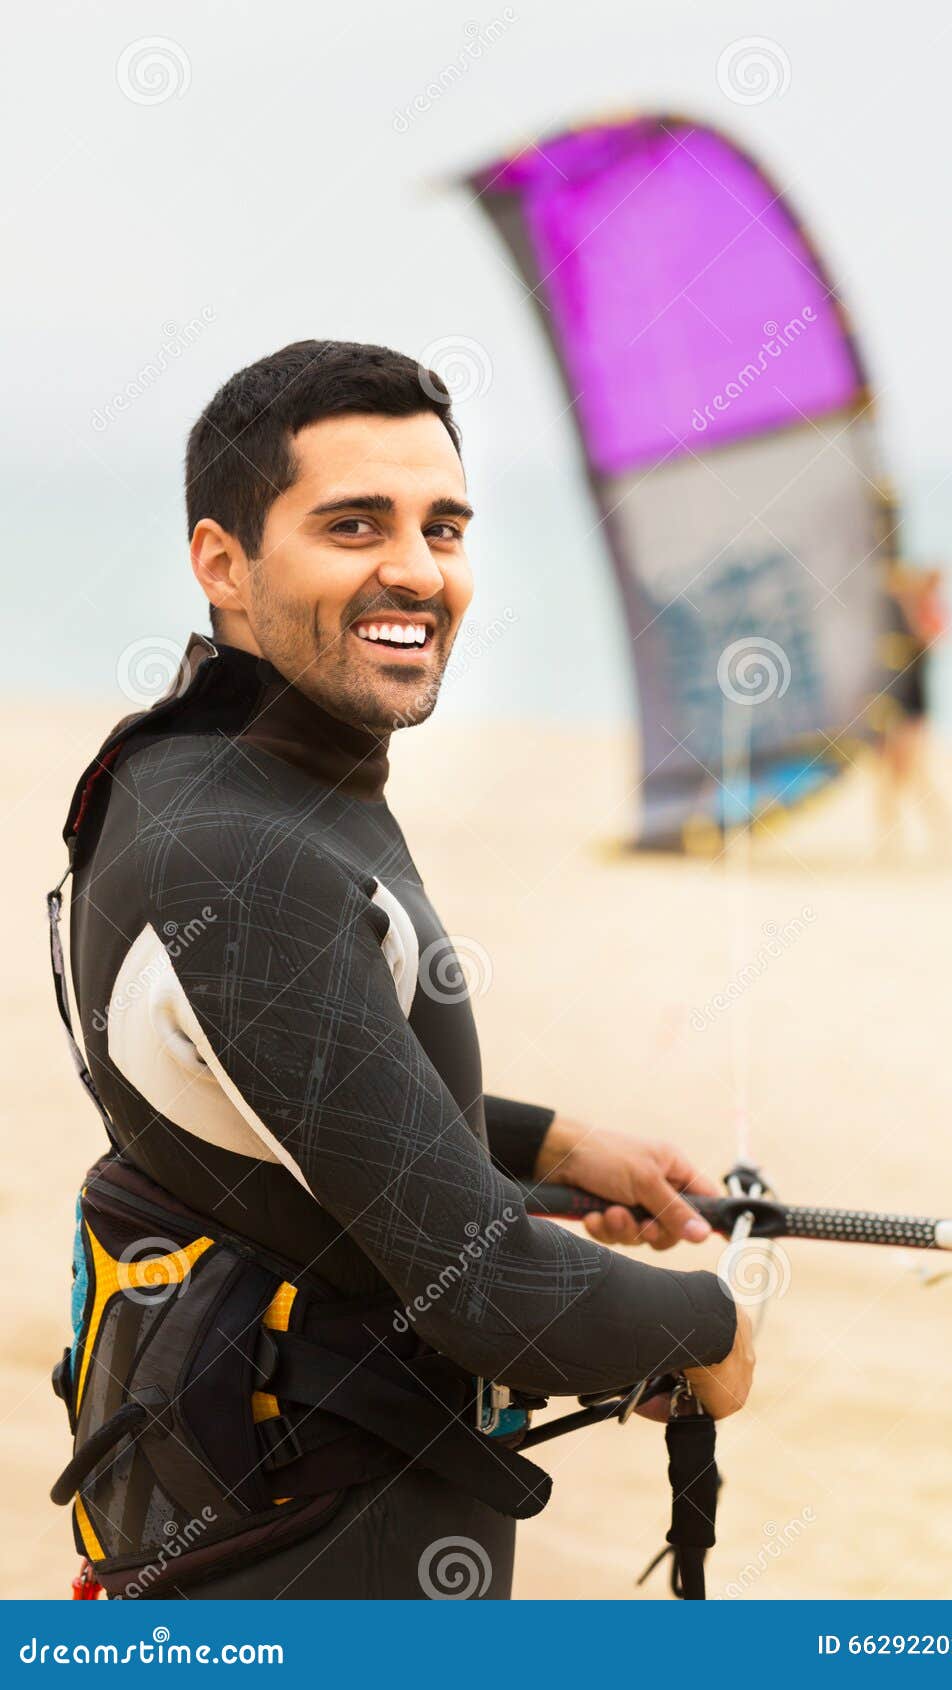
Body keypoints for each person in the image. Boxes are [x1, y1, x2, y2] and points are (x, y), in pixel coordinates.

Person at [54, 340, 753, 1600]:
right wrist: (709, 1327)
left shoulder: (212, 770)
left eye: (444, 526)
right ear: (223, 560)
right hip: (316, 1559)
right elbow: (485, 1288)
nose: (416, 571)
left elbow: (287, 1090)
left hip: (263, 1523)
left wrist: (550, 1145)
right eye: (353, 524)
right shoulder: (245, 858)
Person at [877, 562, 952, 859]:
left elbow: (933, 634)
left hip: (911, 708)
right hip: (895, 706)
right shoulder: (897, 620)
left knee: (910, 776)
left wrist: (914, 600)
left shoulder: (920, 624)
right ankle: (892, 841)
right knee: (891, 780)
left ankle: (938, 833)